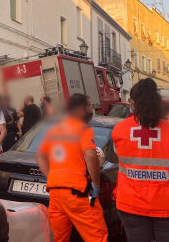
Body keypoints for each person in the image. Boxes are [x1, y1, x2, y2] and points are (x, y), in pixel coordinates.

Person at [112, 78, 169, 242]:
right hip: (167, 204)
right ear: (157, 103)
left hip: (131, 203)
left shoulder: (119, 129)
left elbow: (118, 154)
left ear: (132, 104)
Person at [36, 93, 108, 242]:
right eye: (89, 108)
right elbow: (90, 155)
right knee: (97, 238)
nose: (91, 112)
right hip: (78, 194)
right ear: (81, 109)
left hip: (56, 194)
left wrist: (52, 177)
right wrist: (96, 184)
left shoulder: (54, 130)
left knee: (57, 239)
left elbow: (40, 155)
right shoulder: (83, 129)